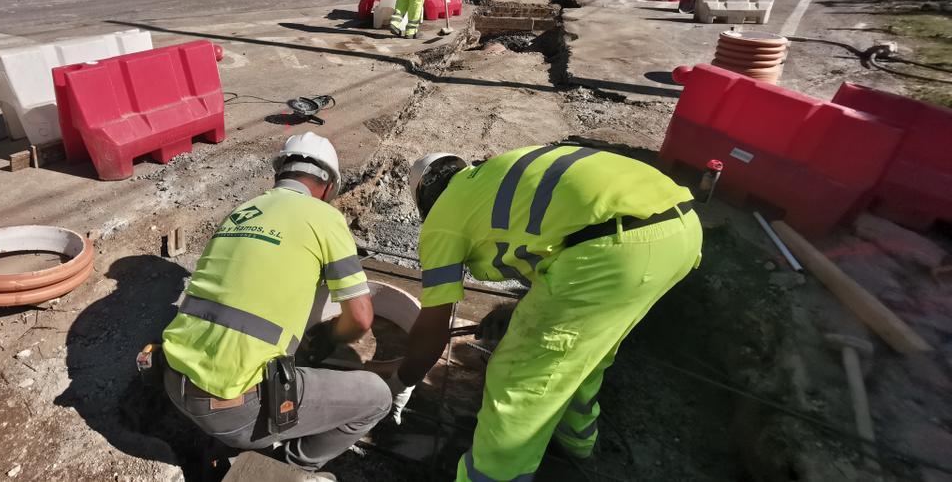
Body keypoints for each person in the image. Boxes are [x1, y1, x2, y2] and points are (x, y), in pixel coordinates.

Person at [381, 145, 704, 481]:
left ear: (425, 202)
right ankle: (575, 442)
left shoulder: (442, 220)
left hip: (616, 250)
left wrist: (402, 380)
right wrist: (516, 310)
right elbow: (559, 243)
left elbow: (433, 327)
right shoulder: (493, 176)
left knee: (519, 378)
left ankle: (493, 475)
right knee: (581, 353)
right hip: (679, 233)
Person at [160, 132, 392, 476]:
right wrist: (329, 338)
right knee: (377, 397)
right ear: (328, 187)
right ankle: (291, 467)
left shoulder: (241, 212)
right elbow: (360, 319)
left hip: (173, 381)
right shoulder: (324, 217)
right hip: (233, 410)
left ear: (279, 174)